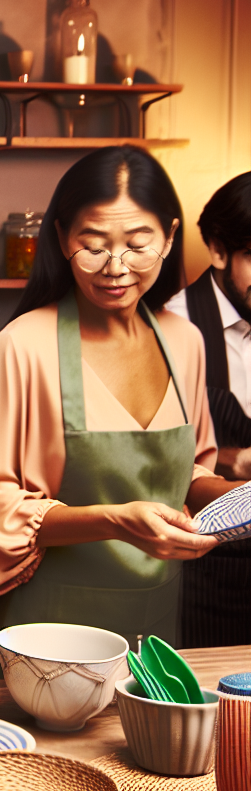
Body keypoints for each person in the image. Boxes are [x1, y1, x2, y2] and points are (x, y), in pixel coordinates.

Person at [0, 146, 234, 678]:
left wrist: (229, 498)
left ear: (170, 237)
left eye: (138, 244)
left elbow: (189, 468)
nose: (116, 268)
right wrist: (116, 522)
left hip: (155, 641)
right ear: (61, 239)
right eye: (93, 245)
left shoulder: (184, 341)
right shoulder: (22, 346)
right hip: (45, 641)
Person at [163, 173, 251, 646]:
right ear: (218, 250)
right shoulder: (173, 326)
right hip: (207, 572)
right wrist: (236, 460)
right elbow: (151, 460)